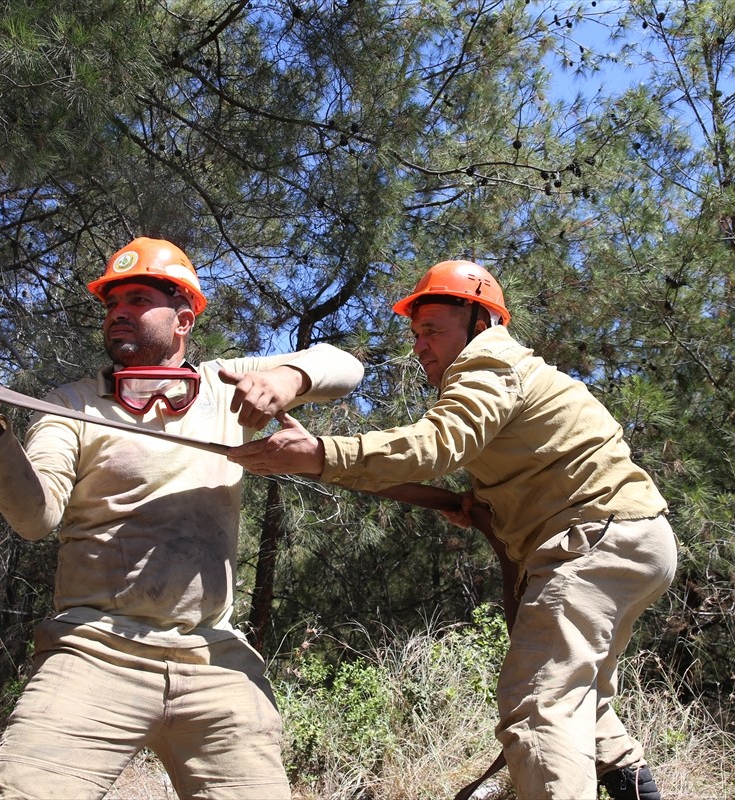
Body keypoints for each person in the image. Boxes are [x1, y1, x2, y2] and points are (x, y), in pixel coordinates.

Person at [0, 236, 364, 800]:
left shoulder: (225, 384)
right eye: (112, 303)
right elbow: (34, 518)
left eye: (137, 300)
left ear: (183, 321)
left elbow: (345, 366)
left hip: (214, 659)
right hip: (94, 651)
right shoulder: (69, 405)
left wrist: (285, 379)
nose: (118, 312)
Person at [228, 259, 679, 800]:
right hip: (629, 540)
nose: (421, 346)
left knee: (540, 706)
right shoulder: (510, 376)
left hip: (593, 540)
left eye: (433, 330)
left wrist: (322, 453)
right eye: (416, 335)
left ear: (480, 322)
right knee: (581, 699)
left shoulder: (488, 362)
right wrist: (469, 501)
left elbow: (437, 445)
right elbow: (500, 469)